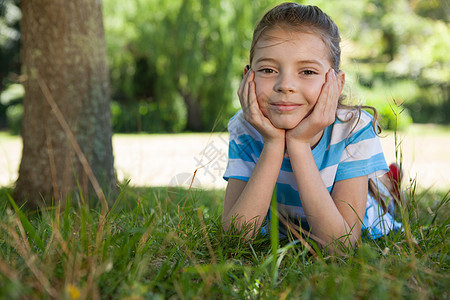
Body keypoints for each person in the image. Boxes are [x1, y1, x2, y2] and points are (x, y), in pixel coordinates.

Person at [222, 2, 402, 248]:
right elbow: (235, 237)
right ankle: (385, 181)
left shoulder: (352, 128)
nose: (285, 85)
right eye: (267, 69)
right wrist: (274, 144)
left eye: (307, 72)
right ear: (247, 77)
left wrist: (298, 143)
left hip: (370, 211)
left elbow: (340, 246)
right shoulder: (245, 127)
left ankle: (388, 185)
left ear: (336, 84)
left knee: (380, 198)